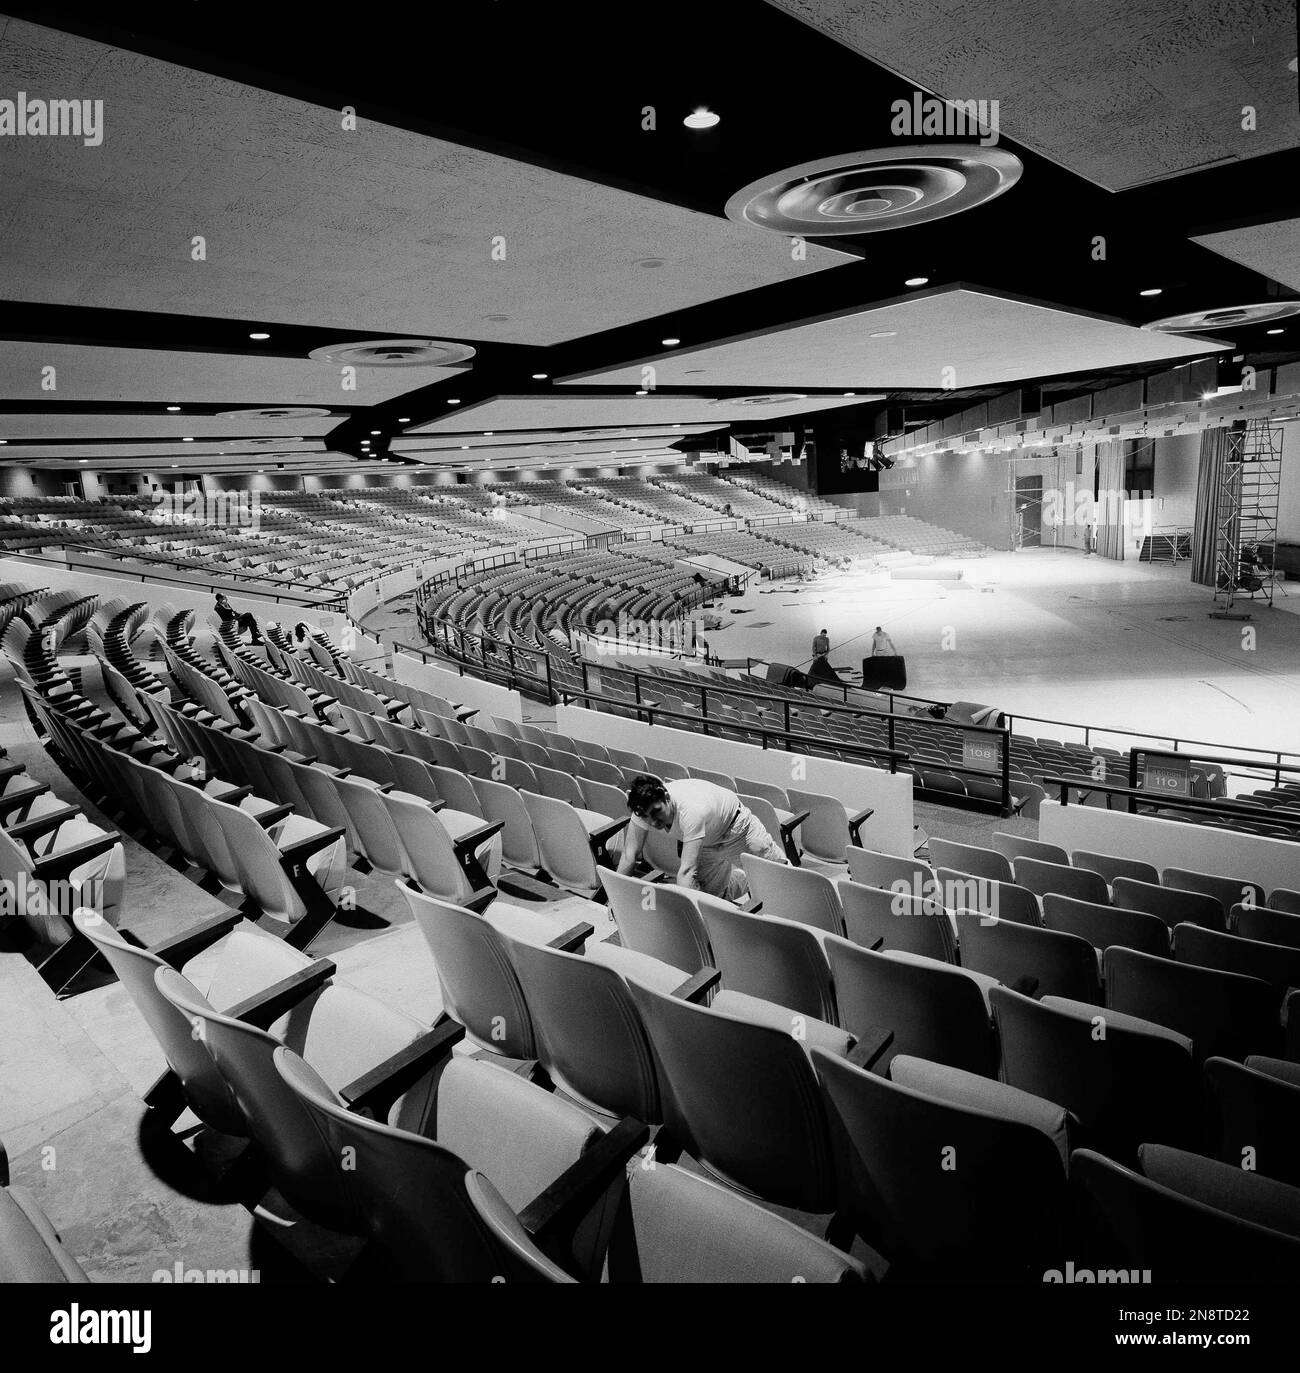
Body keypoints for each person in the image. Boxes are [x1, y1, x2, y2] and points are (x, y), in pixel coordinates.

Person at [618, 774, 786, 902]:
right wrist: (616, 896)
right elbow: (629, 855)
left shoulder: (690, 810)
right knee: (712, 898)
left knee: (779, 876)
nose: (653, 821)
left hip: (737, 829)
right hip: (704, 841)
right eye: (646, 817)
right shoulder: (642, 809)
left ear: (666, 797)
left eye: (656, 812)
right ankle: (743, 878)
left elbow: (686, 870)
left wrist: (690, 913)